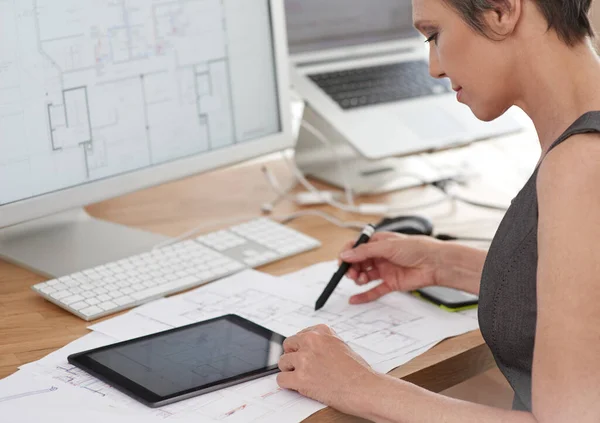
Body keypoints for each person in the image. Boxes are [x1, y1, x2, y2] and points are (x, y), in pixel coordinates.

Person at [276, 0, 600, 421]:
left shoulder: (582, 164)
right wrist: (444, 264)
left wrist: (355, 384)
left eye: (434, 35)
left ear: (501, 10)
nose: (434, 67)